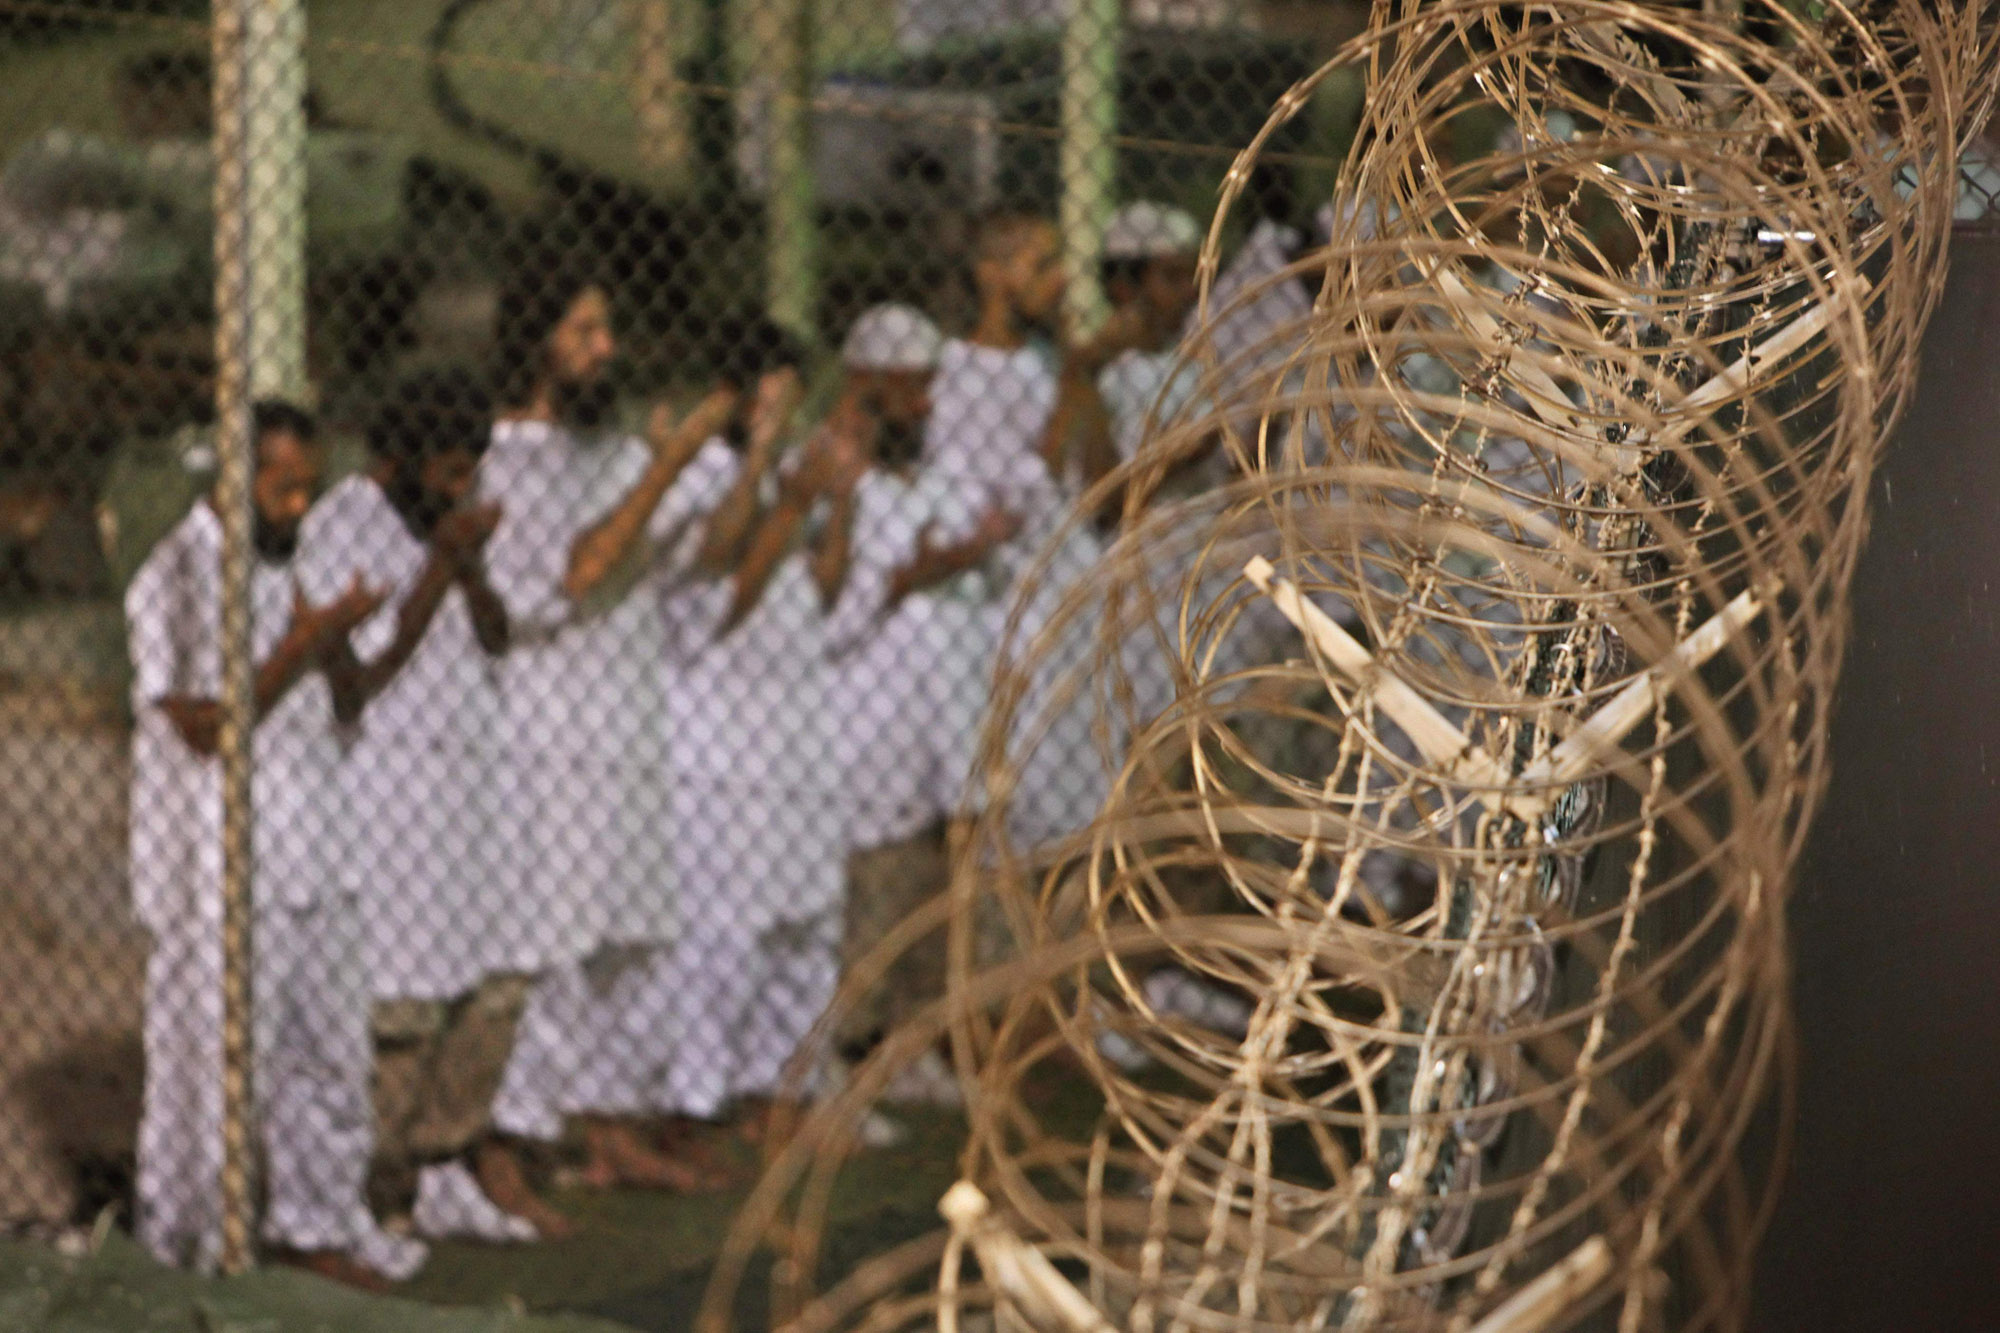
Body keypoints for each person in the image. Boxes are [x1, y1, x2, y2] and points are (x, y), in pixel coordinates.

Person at [126, 400, 425, 1287]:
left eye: (309, 487)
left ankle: (319, 1219)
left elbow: (352, 692)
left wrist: (333, 644)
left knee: (329, 1048)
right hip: (213, 858)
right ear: (231, 477)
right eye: (281, 486)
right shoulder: (175, 572)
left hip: (318, 841)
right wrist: (300, 643)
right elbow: (202, 726)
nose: (298, 506)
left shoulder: (303, 552)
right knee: (214, 1061)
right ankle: (187, 1240)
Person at [473, 244, 740, 1233]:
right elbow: (578, 569)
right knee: (554, 939)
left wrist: (712, 464)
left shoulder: (614, 452)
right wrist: (668, 463)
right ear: (536, 342)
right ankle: (510, 1142)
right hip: (549, 732)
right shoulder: (505, 458)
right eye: (583, 331)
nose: (604, 348)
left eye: (607, 329)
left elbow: (692, 555)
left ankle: (602, 1124)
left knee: (628, 933)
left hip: (627, 720)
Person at [659, 308, 973, 1138]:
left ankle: (782, 1092)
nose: (789, 414)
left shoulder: (784, 476)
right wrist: (789, 494)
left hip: (791, 721)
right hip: (722, 729)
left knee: (800, 912)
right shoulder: (708, 478)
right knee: (727, 924)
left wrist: (831, 503)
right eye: (777, 398)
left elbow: (822, 591)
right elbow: (722, 601)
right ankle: (701, 1101)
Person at [295, 368, 540, 1243]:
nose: (458, 486)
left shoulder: (460, 520)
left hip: (471, 785)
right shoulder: (340, 524)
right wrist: (442, 563)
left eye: (466, 471)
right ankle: (380, 1188)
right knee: (397, 1001)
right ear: (393, 459)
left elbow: (498, 634)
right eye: (441, 471)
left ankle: (445, 1163)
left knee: (491, 981)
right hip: (385, 792)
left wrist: (469, 567)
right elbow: (357, 678)